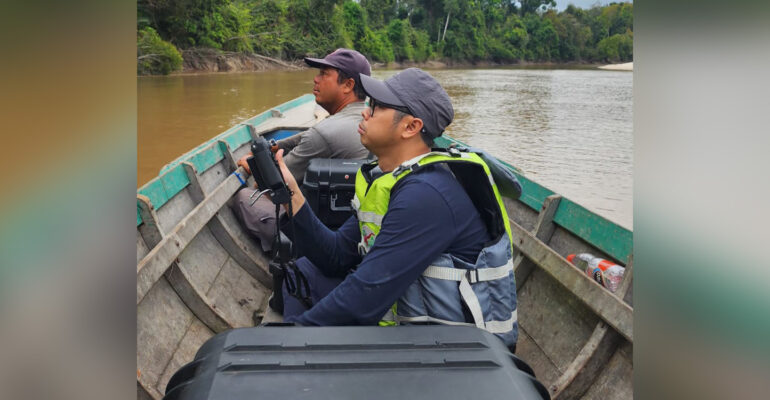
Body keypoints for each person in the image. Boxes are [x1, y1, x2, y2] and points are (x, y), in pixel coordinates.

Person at [272, 68, 521, 350]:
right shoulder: (393, 180)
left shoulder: (427, 194)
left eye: (377, 107)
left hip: (451, 352)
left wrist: (284, 342)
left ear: (410, 127)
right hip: (408, 328)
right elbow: (336, 255)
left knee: (307, 321)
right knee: (303, 272)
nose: (365, 112)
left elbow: (363, 299)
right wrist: (291, 195)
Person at [232, 49, 371, 252]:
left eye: (324, 74)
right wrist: (276, 145)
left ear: (348, 85)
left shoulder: (325, 133)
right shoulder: (367, 117)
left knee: (245, 197)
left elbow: (272, 186)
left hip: (322, 230)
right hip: (352, 222)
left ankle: (287, 248)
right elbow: (310, 135)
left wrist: (253, 168)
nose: (316, 79)